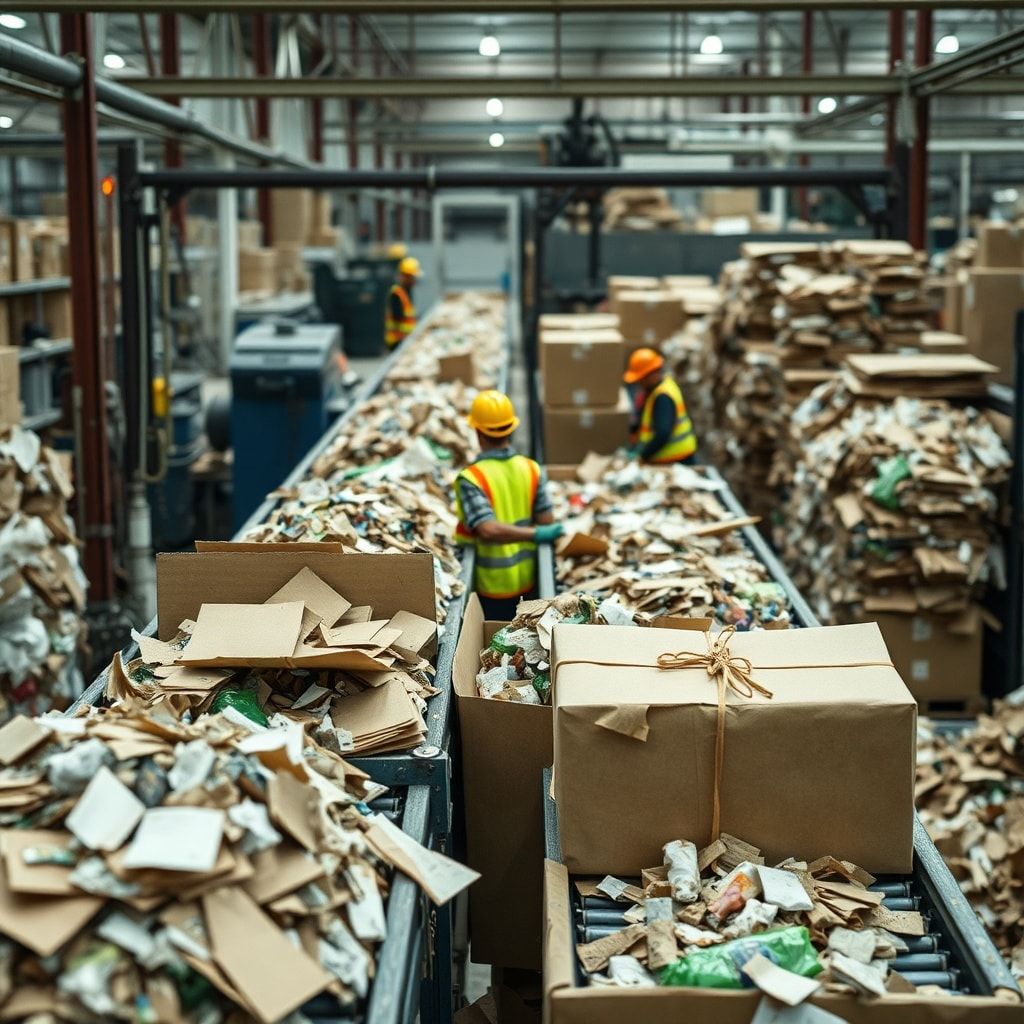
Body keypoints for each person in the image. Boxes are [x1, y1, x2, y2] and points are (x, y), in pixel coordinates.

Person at [454, 390, 563, 619]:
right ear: (511, 429)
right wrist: (538, 533)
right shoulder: (531, 468)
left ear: (478, 432)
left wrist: (534, 533)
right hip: (528, 580)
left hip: (493, 588)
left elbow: (488, 529)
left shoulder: (472, 478)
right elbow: (546, 520)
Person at [623, 347, 698, 464]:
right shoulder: (658, 388)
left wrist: (642, 456)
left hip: (677, 461)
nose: (639, 382)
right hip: (671, 460)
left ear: (651, 374)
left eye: (641, 378)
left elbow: (663, 434)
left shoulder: (663, 397)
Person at [384, 256, 422, 349]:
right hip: (397, 341)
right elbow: (398, 318)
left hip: (405, 340)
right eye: (413, 277)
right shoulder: (397, 294)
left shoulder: (406, 292)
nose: (414, 280)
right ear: (406, 276)